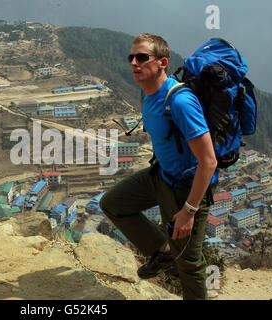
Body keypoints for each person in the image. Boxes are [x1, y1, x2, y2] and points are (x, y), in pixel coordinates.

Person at [99, 33, 218, 300]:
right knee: (113, 204)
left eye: (142, 57)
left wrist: (189, 210)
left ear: (163, 62)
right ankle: (163, 251)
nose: (134, 63)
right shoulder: (147, 93)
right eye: (132, 57)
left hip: (185, 190)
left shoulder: (179, 102)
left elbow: (209, 161)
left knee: (188, 262)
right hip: (161, 175)